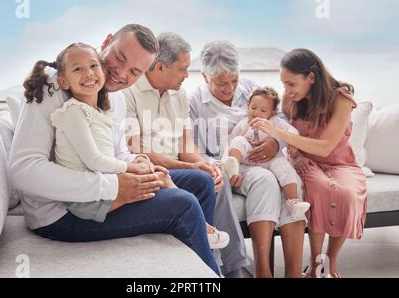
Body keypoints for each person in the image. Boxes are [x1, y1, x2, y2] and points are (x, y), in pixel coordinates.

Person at [10, 24, 219, 275]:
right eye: (119, 58)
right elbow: (23, 169)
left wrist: (145, 165)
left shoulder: (116, 96)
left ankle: (195, 268)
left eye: (134, 72)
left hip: (105, 188)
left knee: (200, 181)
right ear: (107, 41)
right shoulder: (53, 86)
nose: (121, 74)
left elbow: (118, 155)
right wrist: (115, 187)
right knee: (182, 203)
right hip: (61, 213)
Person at [124, 33, 251, 277]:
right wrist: (192, 168)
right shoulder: (129, 93)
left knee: (216, 175)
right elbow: (135, 149)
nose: (186, 75)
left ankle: (229, 266)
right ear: (160, 67)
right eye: (183, 69)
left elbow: (186, 146)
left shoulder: (178, 93)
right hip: (153, 169)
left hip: (178, 166)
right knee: (204, 179)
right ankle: (227, 269)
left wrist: (205, 164)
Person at [189, 40, 306, 278]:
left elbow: (279, 118)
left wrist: (276, 142)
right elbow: (190, 148)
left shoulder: (249, 87)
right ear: (204, 76)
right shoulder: (194, 103)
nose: (230, 88)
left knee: (282, 181)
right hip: (225, 164)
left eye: (234, 80)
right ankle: (260, 269)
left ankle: (279, 271)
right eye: (222, 83)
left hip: (263, 159)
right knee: (264, 179)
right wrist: (221, 168)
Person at [250, 48, 367, 278]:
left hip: (340, 163)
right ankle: (315, 264)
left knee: (348, 195)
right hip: (306, 161)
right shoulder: (290, 99)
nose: (287, 91)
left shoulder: (340, 100)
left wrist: (277, 133)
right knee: (319, 189)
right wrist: (295, 153)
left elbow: (325, 146)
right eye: (284, 84)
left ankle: (330, 260)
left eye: (291, 84)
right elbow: (287, 132)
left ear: (311, 78)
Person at [223, 87, 310, 220]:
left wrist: (291, 142)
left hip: (272, 158)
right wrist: (231, 156)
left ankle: (294, 203)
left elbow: (291, 131)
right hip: (248, 156)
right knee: (239, 140)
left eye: (263, 110)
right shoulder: (243, 123)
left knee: (287, 170)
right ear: (248, 106)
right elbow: (231, 142)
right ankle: (232, 168)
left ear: (272, 112)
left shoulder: (275, 121)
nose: (257, 113)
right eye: (253, 108)